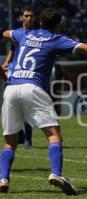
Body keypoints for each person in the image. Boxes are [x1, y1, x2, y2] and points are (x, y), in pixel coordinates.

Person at [0, 7, 87, 194]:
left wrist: (14, 35)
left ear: (39, 21)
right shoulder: (55, 39)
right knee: (53, 135)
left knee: (9, 142)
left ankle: (3, 179)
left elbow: (7, 33)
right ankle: (56, 173)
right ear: (58, 25)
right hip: (32, 87)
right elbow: (86, 48)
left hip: (11, 87)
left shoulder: (24, 34)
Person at [1, 6, 37, 149]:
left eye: (31, 16)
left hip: (31, 73)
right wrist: (6, 63)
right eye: (26, 16)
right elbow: (13, 49)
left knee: (27, 106)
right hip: (15, 71)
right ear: (21, 17)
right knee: (10, 105)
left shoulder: (38, 34)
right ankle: (19, 133)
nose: (29, 18)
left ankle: (27, 138)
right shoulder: (18, 34)